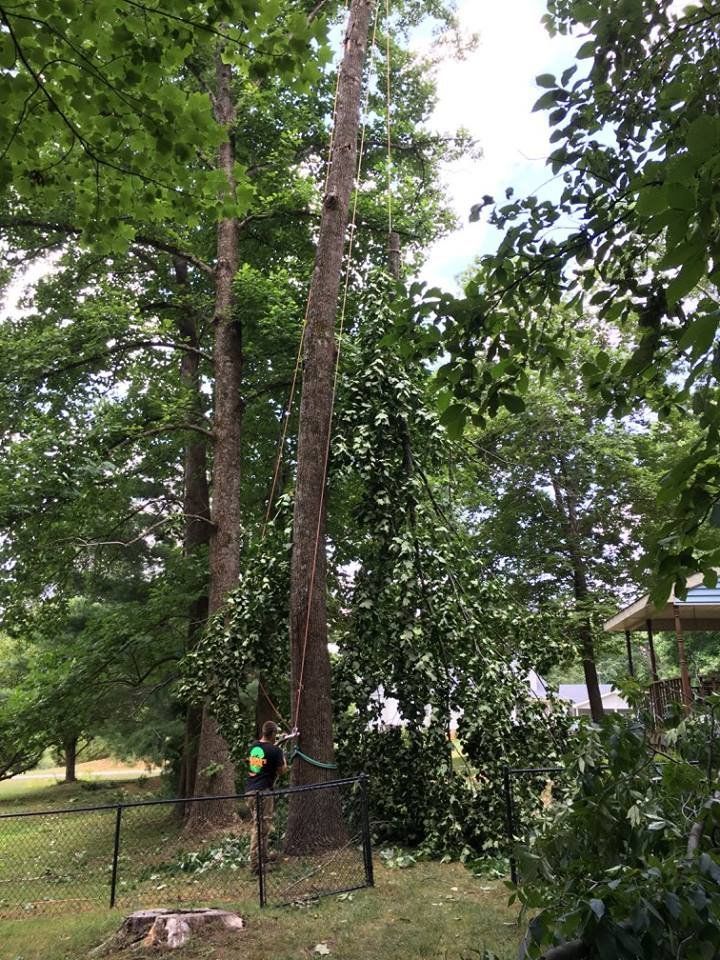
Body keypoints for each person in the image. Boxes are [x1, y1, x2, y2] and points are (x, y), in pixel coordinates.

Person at [245, 720, 287, 874]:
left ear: (263, 732)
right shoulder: (275, 751)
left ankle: (263, 858)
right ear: (273, 734)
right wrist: (283, 754)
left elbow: (262, 764)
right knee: (260, 827)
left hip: (250, 791)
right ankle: (256, 865)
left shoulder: (254, 747)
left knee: (261, 826)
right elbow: (282, 770)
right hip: (263, 792)